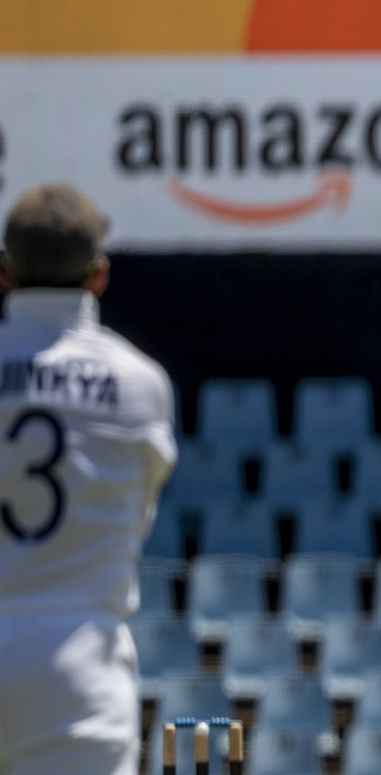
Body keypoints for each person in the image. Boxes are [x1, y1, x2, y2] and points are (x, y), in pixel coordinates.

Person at [0, 184, 177, 774]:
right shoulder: (139, 382)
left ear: (5, 272)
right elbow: (139, 510)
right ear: (99, 275)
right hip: (77, 663)